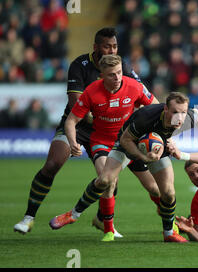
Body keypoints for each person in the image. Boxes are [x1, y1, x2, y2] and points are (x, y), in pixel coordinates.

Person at [13, 27, 151, 236]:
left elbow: (140, 91)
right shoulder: (80, 65)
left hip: (107, 127)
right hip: (77, 125)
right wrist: (102, 114)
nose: (112, 50)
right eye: (107, 46)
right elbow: (75, 102)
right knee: (53, 163)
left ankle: (102, 219)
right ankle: (29, 218)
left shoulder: (121, 65)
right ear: (96, 47)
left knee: (108, 176)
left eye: (114, 46)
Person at [49, 92, 198, 242]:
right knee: (105, 180)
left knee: (169, 193)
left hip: (155, 148)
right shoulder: (146, 117)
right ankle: (73, 214)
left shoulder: (186, 118)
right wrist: (143, 157)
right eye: (175, 112)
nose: (180, 117)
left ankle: (169, 233)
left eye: (183, 112)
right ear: (165, 109)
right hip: (127, 145)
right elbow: (126, 140)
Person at [63, 54, 160, 238]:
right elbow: (71, 121)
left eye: (119, 73)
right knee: (107, 181)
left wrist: (162, 134)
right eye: (111, 75)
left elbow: (156, 108)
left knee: (155, 189)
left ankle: (168, 220)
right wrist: (72, 141)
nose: (117, 78)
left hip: (130, 142)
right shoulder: (91, 92)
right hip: (103, 144)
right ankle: (108, 229)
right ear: (101, 75)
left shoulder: (135, 86)